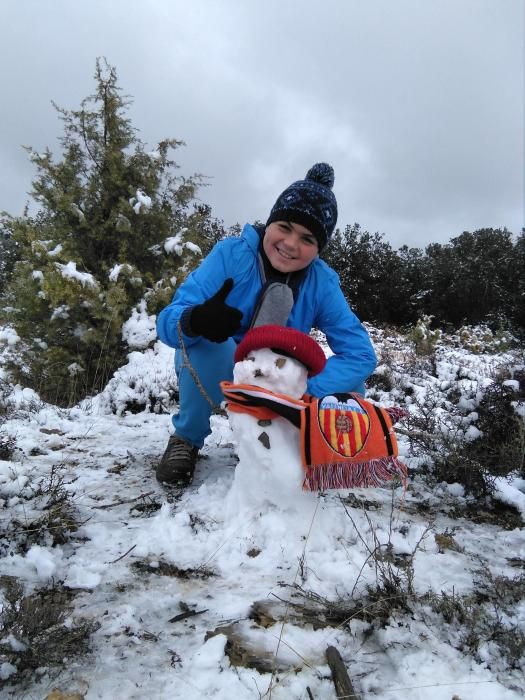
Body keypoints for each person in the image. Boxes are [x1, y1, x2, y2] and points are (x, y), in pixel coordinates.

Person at [155, 162, 377, 486]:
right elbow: (166, 322)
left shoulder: (322, 283)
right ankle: (186, 439)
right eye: (284, 227)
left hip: (280, 379)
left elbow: (360, 355)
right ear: (270, 221)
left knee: (350, 388)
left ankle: (303, 447)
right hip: (225, 369)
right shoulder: (230, 255)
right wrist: (195, 318)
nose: (290, 244)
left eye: (307, 238)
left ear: (319, 248)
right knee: (204, 343)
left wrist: (305, 392)